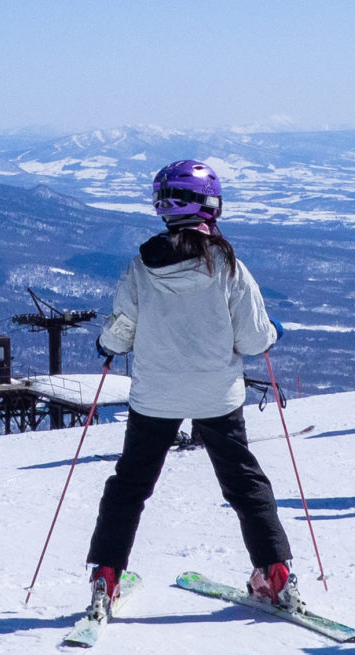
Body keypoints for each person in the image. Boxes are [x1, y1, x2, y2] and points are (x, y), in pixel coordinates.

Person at [83, 160, 294, 619]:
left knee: (130, 486)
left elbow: (121, 330)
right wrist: (273, 330)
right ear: (212, 205)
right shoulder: (226, 264)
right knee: (244, 482)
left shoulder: (141, 265)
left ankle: (106, 578)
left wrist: (106, 343)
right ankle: (276, 577)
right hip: (217, 396)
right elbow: (255, 340)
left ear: (162, 208)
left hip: (154, 397)